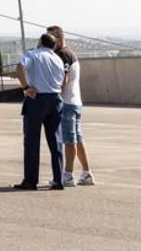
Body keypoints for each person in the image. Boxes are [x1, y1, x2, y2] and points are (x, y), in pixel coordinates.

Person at [13, 32, 66, 190]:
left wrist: (26, 87)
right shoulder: (57, 58)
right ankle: (59, 179)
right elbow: (63, 79)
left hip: (37, 98)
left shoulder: (33, 54)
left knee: (31, 141)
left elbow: (20, 67)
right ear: (54, 45)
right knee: (56, 141)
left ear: (40, 42)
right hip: (55, 99)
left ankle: (30, 180)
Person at [50, 32, 95, 187]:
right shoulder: (70, 53)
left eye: (51, 38)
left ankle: (67, 176)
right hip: (75, 102)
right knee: (77, 139)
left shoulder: (63, 55)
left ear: (59, 38)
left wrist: (56, 95)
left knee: (68, 140)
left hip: (67, 103)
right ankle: (87, 173)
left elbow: (64, 78)